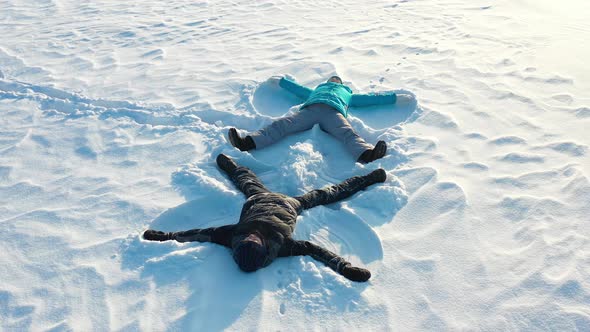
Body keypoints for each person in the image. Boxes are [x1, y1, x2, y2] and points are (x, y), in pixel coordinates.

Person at [143, 154, 387, 282]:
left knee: (245, 180)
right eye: (254, 241)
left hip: (259, 199)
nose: (251, 236)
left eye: (246, 240)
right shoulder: (282, 246)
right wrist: (345, 269)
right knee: (328, 194)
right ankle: (368, 179)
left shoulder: (231, 237)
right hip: (292, 205)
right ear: (263, 250)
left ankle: (229, 164)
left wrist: (166, 237)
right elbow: (317, 251)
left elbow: (199, 234)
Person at [227, 75, 415, 163]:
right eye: (332, 79)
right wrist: (281, 82)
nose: (334, 81)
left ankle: (367, 154)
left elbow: (370, 99)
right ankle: (247, 142)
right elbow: (298, 89)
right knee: (283, 124)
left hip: (334, 113)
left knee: (347, 132)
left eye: (337, 80)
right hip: (311, 110)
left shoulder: (347, 95)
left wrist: (394, 98)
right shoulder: (317, 90)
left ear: (341, 84)